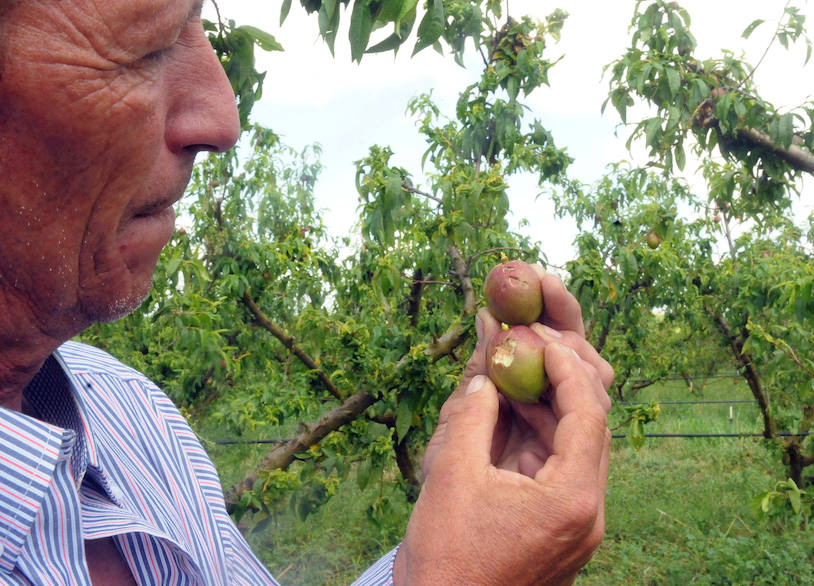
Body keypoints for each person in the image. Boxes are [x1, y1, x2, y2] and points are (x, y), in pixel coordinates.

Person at [0, 0, 614, 584]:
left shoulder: (132, 417)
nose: (224, 119)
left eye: (197, 23)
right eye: (146, 49)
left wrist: (455, 562)